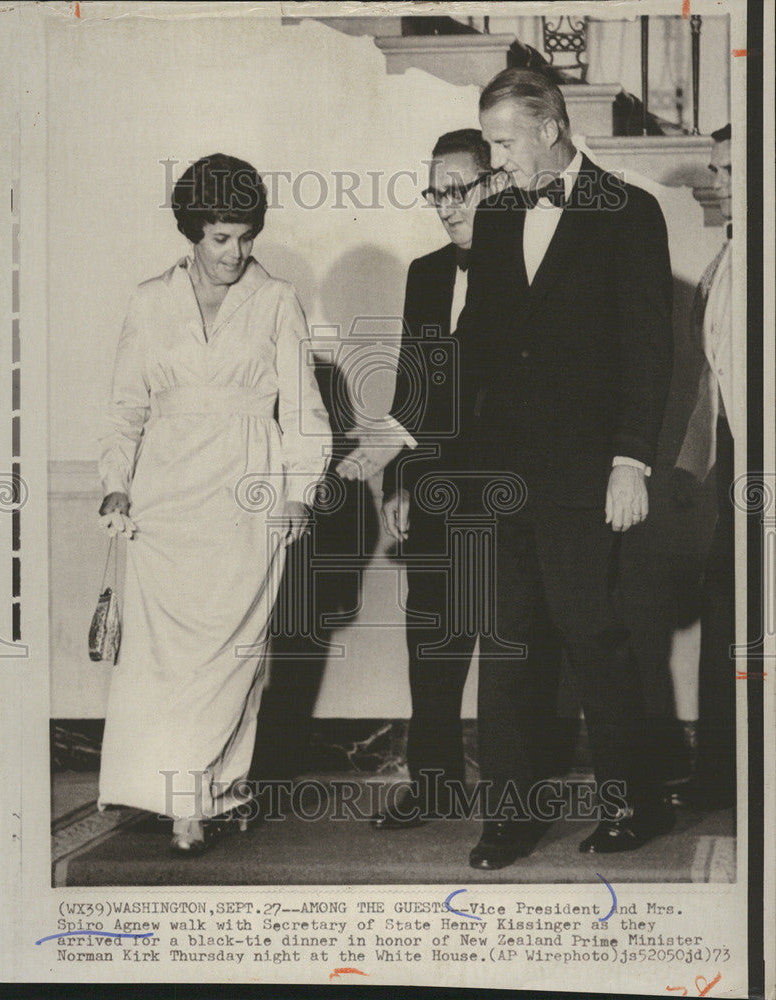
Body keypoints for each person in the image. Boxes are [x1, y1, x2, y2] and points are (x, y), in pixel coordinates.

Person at [461, 69, 675, 869]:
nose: (494, 158)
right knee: (508, 641)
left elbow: (648, 351)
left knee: (594, 634)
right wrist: (425, 448)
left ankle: (633, 802)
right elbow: (474, 347)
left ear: (550, 126)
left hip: (589, 470)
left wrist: (632, 462)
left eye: (502, 141)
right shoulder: (494, 219)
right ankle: (508, 816)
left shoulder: (630, 211)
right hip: (504, 472)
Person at [97, 153, 331, 854]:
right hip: (164, 502)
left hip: (247, 497)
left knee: (232, 654)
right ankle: (192, 795)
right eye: (220, 237)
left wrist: (297, 493)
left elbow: (306, 412)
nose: (236, 252)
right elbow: (124, 409)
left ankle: (202, 797)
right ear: (191, 231)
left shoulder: (275, 299)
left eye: (246, 235)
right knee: (163, 660)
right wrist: (115, 480)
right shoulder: (148, 299)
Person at [363, 130, 498, 828]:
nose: (446, 206)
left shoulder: (536, 265)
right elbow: (411, 387)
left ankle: (516, 795)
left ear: (495, 182)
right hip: (437, 488)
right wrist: (398, 481)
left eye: (459, 189)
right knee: (433, 638)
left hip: (515, 487)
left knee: (517, 641)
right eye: (435, 192)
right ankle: (435, 780)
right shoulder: (425, 272)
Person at [673, 124, 736, 809]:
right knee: (725, 613)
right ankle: (720, 772)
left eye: (728, 169)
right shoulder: (728, 256)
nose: (715, 181)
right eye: (715, 167)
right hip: (734, 462)